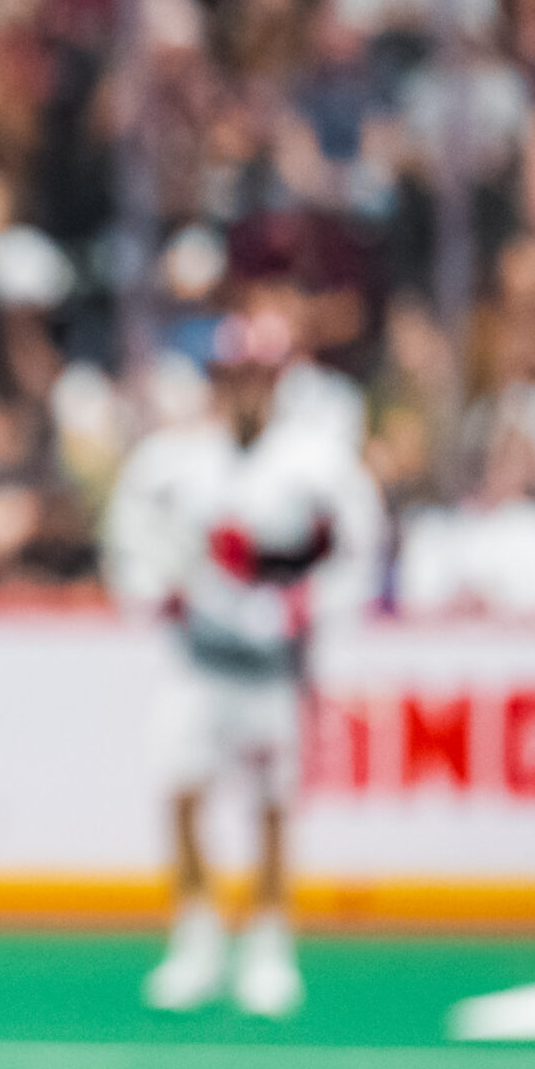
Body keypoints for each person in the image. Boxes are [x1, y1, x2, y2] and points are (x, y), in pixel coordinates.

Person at [104, 312, 383, 1019]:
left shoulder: (317, 464)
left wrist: (312, 607)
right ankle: (197, 936)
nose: (247, 389)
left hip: (273, 669)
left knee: (273, 804)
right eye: (235, 376)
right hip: (200, 660)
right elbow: (129, 534)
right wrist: (153, 591)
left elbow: (361, 546)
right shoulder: (177, 461)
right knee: (183, 788)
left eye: (259, 374)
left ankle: (267, 941)